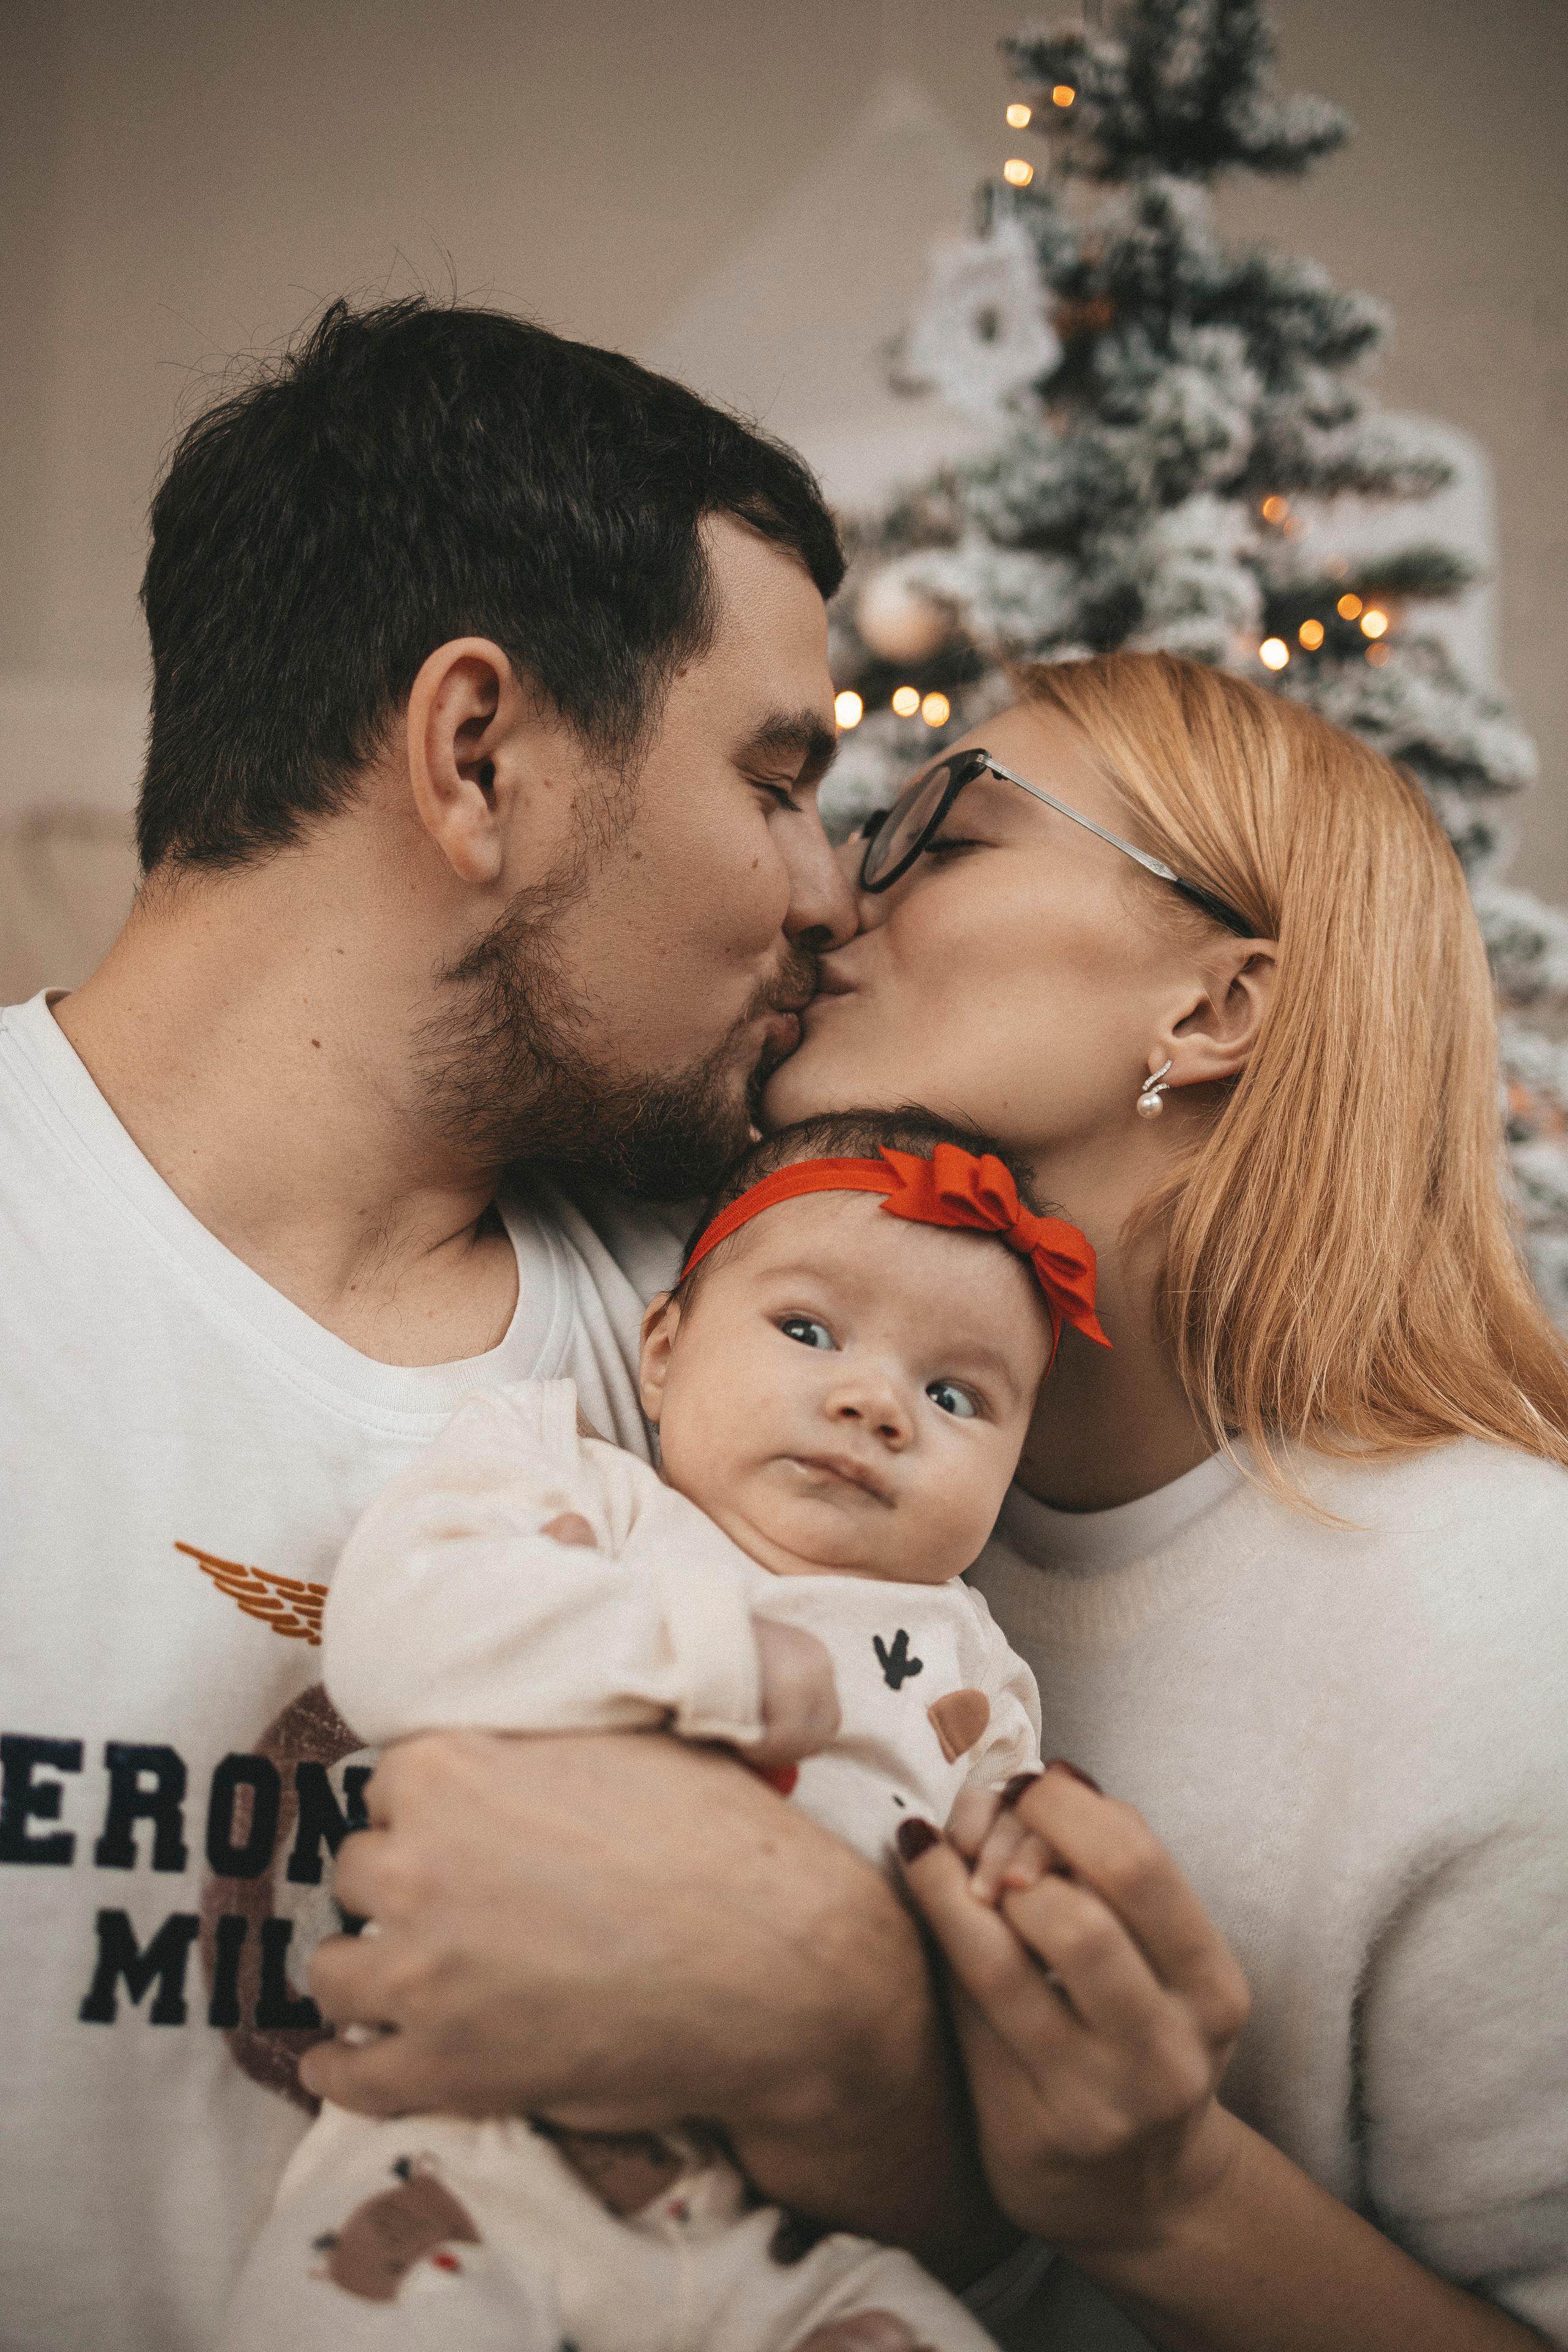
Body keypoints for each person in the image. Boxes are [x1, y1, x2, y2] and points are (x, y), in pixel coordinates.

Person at [309, 652, 1568, 2350]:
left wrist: (1174, 2198)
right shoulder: (702, 1403)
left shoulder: (1507, 1624)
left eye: (940, 831)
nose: (829, 897)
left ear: (1209, 1010)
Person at [0, 295, 954, 2352]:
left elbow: (968, 2194)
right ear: (478, 755)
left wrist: (849, 2018)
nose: (829, 891)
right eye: (780, 779)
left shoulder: (752, 1353)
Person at [223, 1113, 1103, 2352]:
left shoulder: (973, 1664)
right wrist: (709, 1660)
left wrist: (1040, 1898)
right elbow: (399, 1631)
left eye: (954, 1395)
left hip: (781, 2234)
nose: (873, 1403)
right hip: (465, 2165)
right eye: (807, 1331)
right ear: (660, 1349)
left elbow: (989, 1933)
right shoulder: (574, 1493)